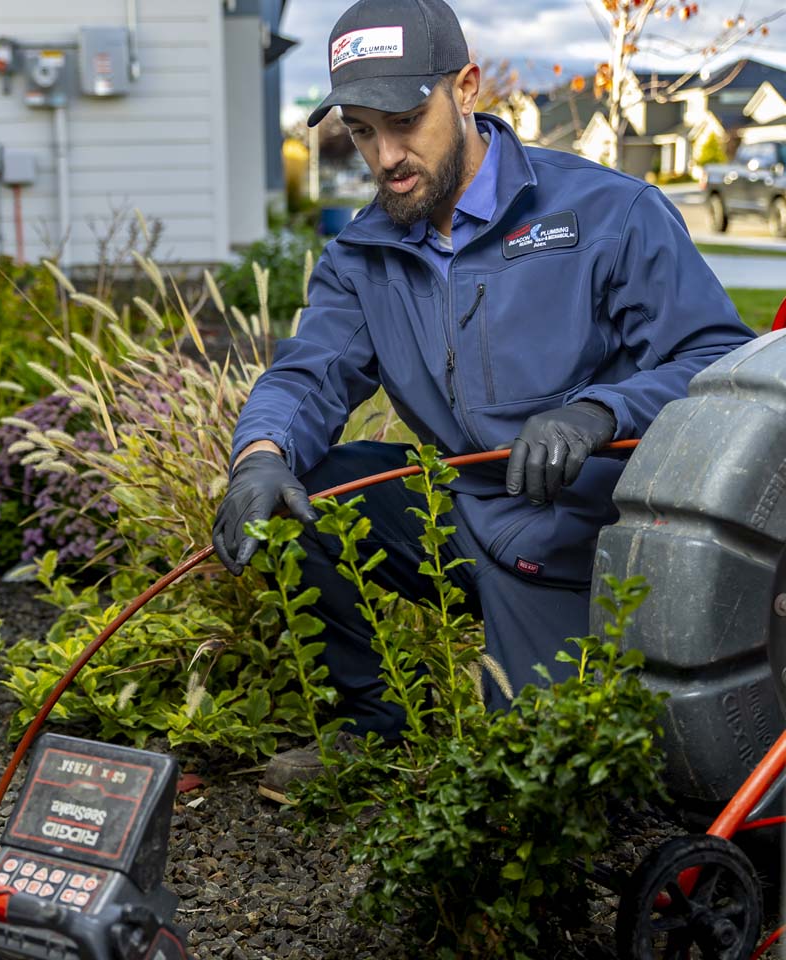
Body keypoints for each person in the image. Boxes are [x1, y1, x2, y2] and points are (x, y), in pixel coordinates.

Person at [212, 0, 755, 800]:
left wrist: (600, 413)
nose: (386, 155)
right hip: (471, 516)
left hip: (592, 543)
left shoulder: (610, 215)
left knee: (540, 786)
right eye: (362, 131)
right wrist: (259, 457)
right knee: (308, 493)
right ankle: (374, 729)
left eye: (403, 120)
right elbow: (309, 374)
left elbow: (719, 362)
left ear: (464, 87)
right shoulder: (365, 254)